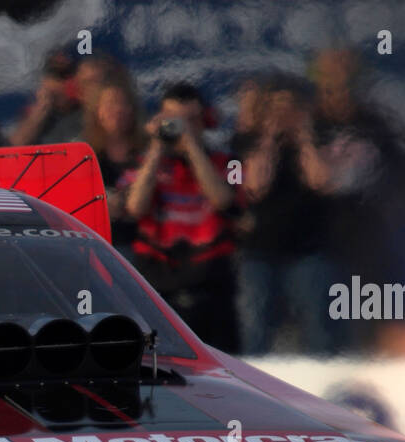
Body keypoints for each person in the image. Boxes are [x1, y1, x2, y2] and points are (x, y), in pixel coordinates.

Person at [123, 83, 241, 353]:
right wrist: (156, 148)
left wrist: (192, 148)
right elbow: (135, 207)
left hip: (210, 282)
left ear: (205, 121)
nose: (182, 127)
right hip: (158, 282)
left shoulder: (228, 162)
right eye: (173, 120)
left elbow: (223, 199)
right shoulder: (142, 163)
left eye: (191, 120)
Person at [232, 76, 339, 355]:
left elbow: (322, 181)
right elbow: (255, 187)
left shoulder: (321, 139)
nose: (284, 114)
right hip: (260, 251)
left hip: (308, 250)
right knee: (255, 329)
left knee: (318, 329)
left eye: (291, 107)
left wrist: (304, 138)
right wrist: (269, 140)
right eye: (277, 107)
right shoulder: (248, 141)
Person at [82, 79, 146, 249]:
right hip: (99, 246)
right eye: (110, 104)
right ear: (97, 112)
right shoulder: (84, 157)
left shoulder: (149, 153)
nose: (117, 110)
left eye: (123, 104)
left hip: (144, 246)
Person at [8, 49, 83, 146]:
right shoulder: (34, 117)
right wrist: (41, 110)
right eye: (53, 76)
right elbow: (13, 149)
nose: (58, 85)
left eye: (63, 77)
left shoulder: (88, 115)